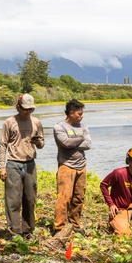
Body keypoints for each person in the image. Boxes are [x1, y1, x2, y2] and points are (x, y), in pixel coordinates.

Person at [0, 94, 44, 237]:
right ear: (18, 107)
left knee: (30, 198)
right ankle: (14, 229)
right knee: (13, 199)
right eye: (25, 109)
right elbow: (3, 145)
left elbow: (42, 143)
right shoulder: (9, 122)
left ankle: (28, 229)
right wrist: (2, 166)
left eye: (30, 110)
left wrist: (38, 143)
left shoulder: (36, 122)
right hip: (13, 163)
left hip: (30, 164)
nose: (28, 112)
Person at [53, 99, 91, 234]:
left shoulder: (83, 126)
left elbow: (88, 144)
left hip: (81, 166)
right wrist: (80, 139)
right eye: (79, 114)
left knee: (78, 197)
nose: (82, 116)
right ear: (71, 113)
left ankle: (74, 224)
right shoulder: (59, 127)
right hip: (66, 166)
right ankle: (59, 227)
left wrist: (74, 141)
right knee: (64, 197)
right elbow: (65, 143)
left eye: (82, 113)